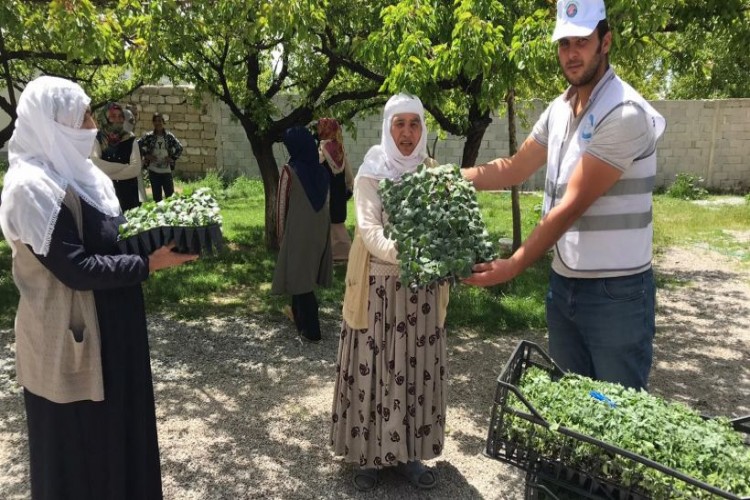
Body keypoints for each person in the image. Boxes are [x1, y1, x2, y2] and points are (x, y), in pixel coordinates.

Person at [0, 75, 198, 500]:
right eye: (82, 116)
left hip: (115, 331)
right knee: (81, 452)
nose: (92, 125)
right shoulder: (31, 188)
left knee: (117, 438)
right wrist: (148, 263)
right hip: (70, 343)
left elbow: (113, 234)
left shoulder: (85, 175)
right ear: (54, 124)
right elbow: (77, 268)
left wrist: (163, 232)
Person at [461, 0, 666, 391]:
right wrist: (451, 178)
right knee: (573, 412)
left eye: (582, 42)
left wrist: (514, 265)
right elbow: (516, 167)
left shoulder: (624, 113)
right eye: (564, 43)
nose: (571, 54)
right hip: (565, 283)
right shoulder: (560, 108)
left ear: (605, 42)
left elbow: (570, 207)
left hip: (616, 293)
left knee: (616, 415)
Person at [330, 93, 450, 492]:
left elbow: (445, 228)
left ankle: (409, 454)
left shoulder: (433, 173)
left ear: (423, 129)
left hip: (422, 293)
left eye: (414, 124)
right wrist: (414, 251)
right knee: (377, 368)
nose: (406, 132)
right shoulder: (372, 171)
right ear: (387, 126)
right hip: (377, 292)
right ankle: (368, 456)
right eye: (399, 124)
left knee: (414, 368)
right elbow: (369, 231)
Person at [271, 126, 333, 343]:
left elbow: (281, 205)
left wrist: (280, 235)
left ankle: (312, 330)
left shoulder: (290, 170)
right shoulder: (322, 172)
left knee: (301, 278)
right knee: (303, 274)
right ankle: (299, 321)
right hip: (319, 230)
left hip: (297, 230)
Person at [91, 102, 146, 211]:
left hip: (128, 195)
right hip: (106, 195)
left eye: (120, 116)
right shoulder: (97, 138)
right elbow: (95, 164)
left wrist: (108, 173)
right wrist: (124, 166)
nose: (117, 119)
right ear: (105, 118)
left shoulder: (130, 139)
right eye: (113, 116)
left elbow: (135, 169)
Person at [317, 118, 354, 262]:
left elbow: (317, 163)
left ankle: (339, 255)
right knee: (338, 223)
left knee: (330, 224)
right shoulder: (339, 147)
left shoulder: (323, 147)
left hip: (326, 190)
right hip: (338, 189)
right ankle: (341, 255)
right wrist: (349, 185)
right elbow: (348, 172)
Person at [138, 112, 184, 202]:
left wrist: (172, 158)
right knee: (157, 197)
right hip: (153, 170)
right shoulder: (149, 136)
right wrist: (146, 155)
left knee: (170, 197)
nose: (158, 123)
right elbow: (137, 145)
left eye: (160, 121)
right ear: (153, 122)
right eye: (155, 121)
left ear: (163, 122)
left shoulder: (169, 136)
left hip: (166, 170)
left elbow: (180, 147)